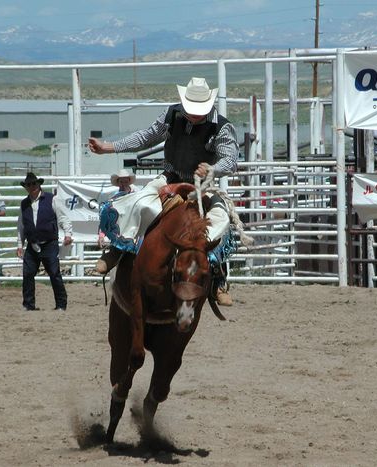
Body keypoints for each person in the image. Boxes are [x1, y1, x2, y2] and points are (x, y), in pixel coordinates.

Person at [88, 77, 239, 306]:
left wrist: (212, 169)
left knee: (221, 219)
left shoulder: (221, 126)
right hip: (171, 176)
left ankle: (217, 277)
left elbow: (230, 159)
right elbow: (146, 137)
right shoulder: (172, 115)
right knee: (139, 203)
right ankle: (118, 249)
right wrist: (109, 147)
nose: (194, 114)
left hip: (203, 186)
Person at [17, 172, 73, 311]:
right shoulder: (24, 204)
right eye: (29, 185)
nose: (32, 187)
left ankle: (61, 304)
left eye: (34, 184)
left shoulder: (52, 199)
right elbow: (21, 226)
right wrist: (20, 244)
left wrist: (67, 233)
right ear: (26, 187)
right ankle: (28, 305)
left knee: (54, 273)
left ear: (39, 184)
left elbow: (63, 217)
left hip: (49, 243)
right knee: (28, 274)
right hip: (32, 243)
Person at [97, 169, 136, 249]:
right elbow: (106, 218)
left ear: (129, 182)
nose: (123, 184)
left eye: (125, 182)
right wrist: (101, 235)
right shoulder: (114, 198)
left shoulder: (136, 195)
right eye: (121, 182)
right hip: (119, 234)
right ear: (118, 183)